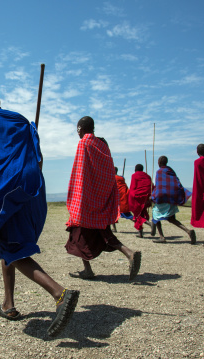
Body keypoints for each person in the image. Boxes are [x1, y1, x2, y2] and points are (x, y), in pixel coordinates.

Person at [0, 92, 79, 337]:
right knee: (9, 243)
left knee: (12, 248)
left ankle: (60, 294)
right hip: (31, 186)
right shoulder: (20, 120)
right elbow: (38, 158)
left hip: (7, 187)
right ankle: (9, 305)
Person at [65, 116, 141, 281]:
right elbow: (106, 175)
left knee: (78, 235)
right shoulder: (102, 145)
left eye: (77, 129)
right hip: (100, 198)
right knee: (102, 234)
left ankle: (125, 255)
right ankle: (127, 254)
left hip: (85, 201)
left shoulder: (84, 143)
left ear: (80, 128)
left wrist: (76, 199)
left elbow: (80, 174)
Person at [151, 156, 195, 244]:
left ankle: (161, 237)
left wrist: (153, 196)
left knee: (155, 216)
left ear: (159, 162)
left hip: (163, 197)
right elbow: (176, 183)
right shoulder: (171, 171)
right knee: (171, 219)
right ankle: (188, 231)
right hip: (172, 197)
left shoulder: (159, 172)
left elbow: (159, 186)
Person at [128, 164, 154, 238]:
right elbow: (151, 186)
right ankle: (140, 233)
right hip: (146, 198)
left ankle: (150, 224)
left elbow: (133, 187)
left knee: (137, 215)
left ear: (135, 169)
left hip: (138, 198)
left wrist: (131, 197)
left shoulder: (134, 175)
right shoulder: (147, 176)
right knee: (141, 214)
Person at [112, 167, 134, 232]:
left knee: (126, 214)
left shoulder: (113, 178)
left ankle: (141, 222)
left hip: (118, 198)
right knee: (113, 214)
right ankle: (114, 228)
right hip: (122, 198)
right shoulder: (121, 178)